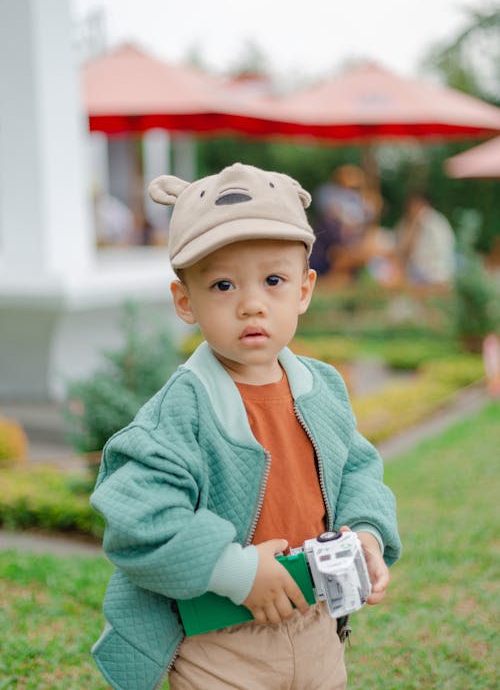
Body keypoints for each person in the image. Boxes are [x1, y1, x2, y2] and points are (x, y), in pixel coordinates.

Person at [90, 163, 402, 690]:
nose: (251, 303)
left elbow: (358, 471)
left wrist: (366, 535)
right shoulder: (183, 408)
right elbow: (135, 518)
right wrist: (235, 571)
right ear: (186, 301)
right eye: (223, 284)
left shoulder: (321, 386)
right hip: (219, 638)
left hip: (316, 622)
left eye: (273, 280)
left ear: (303, 291)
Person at [396, 192, 456, 286]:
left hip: (429, 273)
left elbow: (404, 251)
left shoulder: (428, 221)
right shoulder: (408, 222)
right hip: (432, 272)